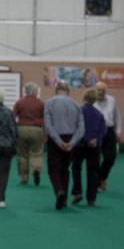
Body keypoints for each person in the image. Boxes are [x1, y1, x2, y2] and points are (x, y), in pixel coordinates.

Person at [44, 80, 84, 210]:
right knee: (65, 169)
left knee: (53, 169)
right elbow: (81, 128)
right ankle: (65, 199)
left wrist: (58, 141)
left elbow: (48, 125)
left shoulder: (49, 102)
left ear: (56, 90)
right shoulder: (76, 104)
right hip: (71, 138)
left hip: (56, 139)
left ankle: (59, 191)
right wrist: (71, 143)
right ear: (68, 91)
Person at [71, 89, 107, 206]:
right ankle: (91, 199)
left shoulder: (79, 111)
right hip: (94, 146)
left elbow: (77, 128)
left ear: (84, 98)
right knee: (93, 172)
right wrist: (96, 139)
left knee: (76, 168)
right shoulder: (99, 114)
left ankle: (77, 192)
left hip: (80, 145)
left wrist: (86, 140)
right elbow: (103, 130)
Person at [12, 82, 45, 186]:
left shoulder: (19, 102)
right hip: (37, 129)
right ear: (35, 91)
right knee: (37, 153)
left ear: (25, 91)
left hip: (22, 129)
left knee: (22, 154)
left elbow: (13, 115)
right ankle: (36, 169)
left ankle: (24, 177)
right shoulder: (41, 103)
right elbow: (45, 118)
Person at [94, 82, 122, 191]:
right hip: (95, 132)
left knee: (111, 157)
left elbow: (117, 117)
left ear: (106, 91)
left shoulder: (112, 100)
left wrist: (118, 131)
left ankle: (101, 178)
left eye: (102, 90)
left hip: (109, 131)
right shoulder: (91, 100)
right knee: (95, 159)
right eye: (98, 90)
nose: (100, 92)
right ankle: (98, 183)